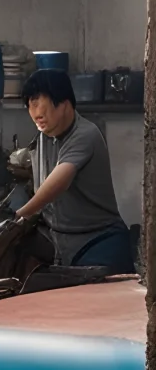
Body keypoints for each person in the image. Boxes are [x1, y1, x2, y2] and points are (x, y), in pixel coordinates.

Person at [14, 68, 131, 272]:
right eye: (30, 107)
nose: (35, 115)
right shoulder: (44, 136)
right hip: (59, 239)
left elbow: (59, 182)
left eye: (39, 105)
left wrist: (20, 214)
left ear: (64, 102)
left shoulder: (85, 134)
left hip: (98, 241)